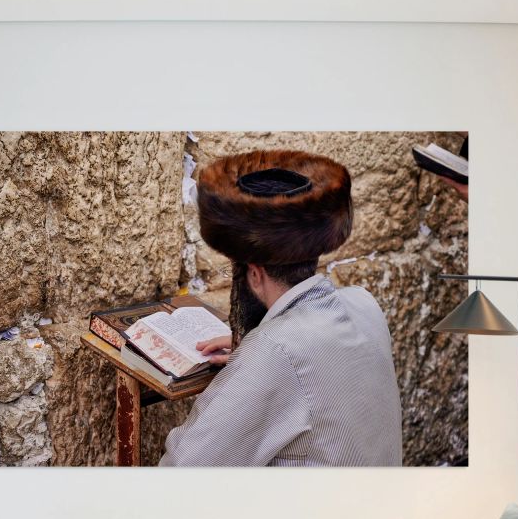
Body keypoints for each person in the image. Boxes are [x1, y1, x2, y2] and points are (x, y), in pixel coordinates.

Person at [160, 150, 403, 467]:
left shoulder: (273, 350)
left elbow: (183, 467)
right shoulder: (363, 303)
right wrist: (253, 361)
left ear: (255, 274)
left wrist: (253, 361)